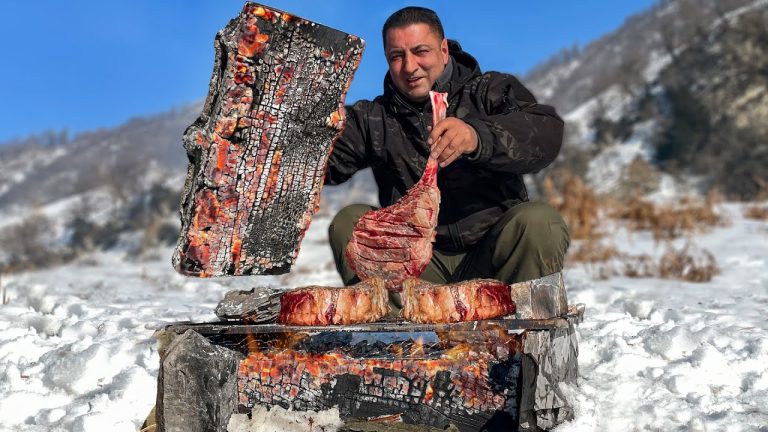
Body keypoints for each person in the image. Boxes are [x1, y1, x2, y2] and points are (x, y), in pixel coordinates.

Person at [325, 6, 570, 292]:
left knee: (539, 221)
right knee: (349, 223)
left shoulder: (490, 91)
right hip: (415, 270)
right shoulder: (371, 118)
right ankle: (396, 332)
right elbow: (323, 163)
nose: (410, 66)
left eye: (420, 51)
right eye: (397, 56)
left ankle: (526, 329)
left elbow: (545, 134)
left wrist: (478, 136)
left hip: (494, 258)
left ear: (443, 50)